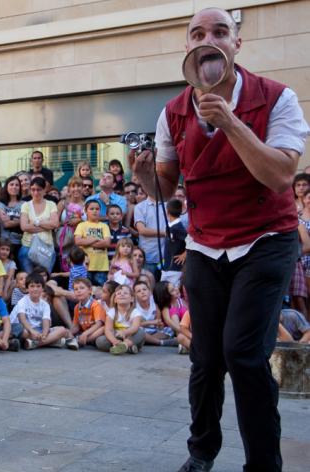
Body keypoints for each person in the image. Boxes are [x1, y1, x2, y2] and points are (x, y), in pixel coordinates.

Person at [131, 8, 309, 472]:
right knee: (206, 358)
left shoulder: (278, 98)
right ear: (188, 47)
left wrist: (231, 123)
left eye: (220, 32)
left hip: (267, 238)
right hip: (206, 244)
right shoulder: (172, 112)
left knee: (244, 355)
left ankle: (263, 464)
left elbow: (281, 174)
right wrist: (148, 176)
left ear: (236, 45)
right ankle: (201, 451)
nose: (208, 40)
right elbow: (165, 190)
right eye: (197, 33)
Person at [11, 273, 67, 350]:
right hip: (26, 329)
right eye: (32, 286)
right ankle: (51, 342)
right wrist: (32, 331)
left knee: (62, 330)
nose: (35, 289)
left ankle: (36, 344)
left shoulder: (45, 304)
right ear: (27, 289)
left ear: (42, 288)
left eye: (38, 286)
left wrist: (44, 333)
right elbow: (22, 319)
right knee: (23, 332)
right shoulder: (22, 301)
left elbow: (46, 320)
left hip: (39, 330)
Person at [18, 177, 59, 273]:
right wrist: (46, 225)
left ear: (45, 190)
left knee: (44, 280)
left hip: (46, 248)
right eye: (33, 189)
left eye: (39, 189)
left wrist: (36, 222)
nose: (36, 193)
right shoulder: (26, 205)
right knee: (29, 280)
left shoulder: (51, 204)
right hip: (27, 247)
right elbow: (24, 227)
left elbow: (55, 224)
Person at [95, 284, 144, 355]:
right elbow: (108, 330)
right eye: (119, 293)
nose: (122, 295)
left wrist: (124, 332)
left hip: (130, 336)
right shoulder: (111, 312)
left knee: (140, 332)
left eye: (125, 293)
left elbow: (135, 327)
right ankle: (126, 347)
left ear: (132, 299)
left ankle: (125, 345)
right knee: (100, 341)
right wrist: (114, 340)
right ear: (115, 299)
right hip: (117, 336)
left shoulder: (135, 312)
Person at [74, 200, 110, 286]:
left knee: (100, 292)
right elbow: (78, 241)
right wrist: (96, 239)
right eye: (91, 209)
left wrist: (87, 241)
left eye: (97, 209)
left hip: (101, 267)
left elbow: (107, 243)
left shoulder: (104, 226)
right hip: (85, 266)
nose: (95, 211)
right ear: (86, 211)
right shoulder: (81, 225)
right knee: (85, 290)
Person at [69, 277, 106, 348]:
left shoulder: (95, 305)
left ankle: (79, 341)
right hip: (84, 333)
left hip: (95, 333)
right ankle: (76, 340)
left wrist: (85, 334)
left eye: (82, 288)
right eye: (76, 289)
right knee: (66, 331)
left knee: (102, 329)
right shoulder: (77, 307)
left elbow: (99, 324)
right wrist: (69, 332)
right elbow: (76, 326)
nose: (78, 291)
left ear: (90, 290)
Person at [161, 199, 188, 287]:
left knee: (172, 292)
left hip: (175, 268)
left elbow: (190, 241)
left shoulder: (178, 228)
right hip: (168, 266)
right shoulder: (170, 226)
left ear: (167, 211)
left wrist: (185, 253)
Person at [0, 175, 23, 256]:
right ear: (6, 187)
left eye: (17, 185)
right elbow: (6, 224)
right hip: (6, 243)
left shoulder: (24, 204)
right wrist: (21, 220)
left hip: (21, 242)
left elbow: (28, 221)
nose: (14, 187)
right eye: (11, 184)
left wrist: (11, 219)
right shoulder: (0, 204)